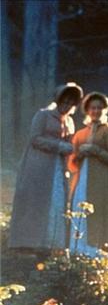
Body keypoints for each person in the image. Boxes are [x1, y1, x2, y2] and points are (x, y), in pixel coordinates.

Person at [9, 82, 83, 255]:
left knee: (55, 202)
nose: (67, 106)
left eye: (70, 103)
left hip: (58, 167)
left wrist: (71, 149)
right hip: (38, 165)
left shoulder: (70, 121)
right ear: (58, 101)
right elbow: (35, 139)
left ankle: (49, 243)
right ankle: (26, 243)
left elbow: (70, 143)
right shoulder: (43, 115)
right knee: (35, 201)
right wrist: (58, 145)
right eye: (64, 102)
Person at [67, 92, 108, 259]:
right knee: (80, 211)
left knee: (99, 213)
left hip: (102, 181)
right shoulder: (80, 133)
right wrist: (80, 155)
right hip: (82, 180)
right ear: (87, 110)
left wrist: (96, 151)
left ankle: (100, 254)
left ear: (105, 110)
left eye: (99, 108)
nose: (96, 111)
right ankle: (79, 252)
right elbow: (71, 163)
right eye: (92, 108)